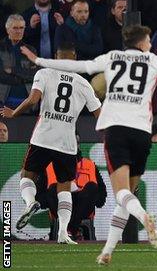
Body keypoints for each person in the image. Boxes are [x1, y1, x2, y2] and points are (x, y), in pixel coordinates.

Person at [20, 23, 157, 265]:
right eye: (148, 41)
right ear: (142, 42)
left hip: (116, 131)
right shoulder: (153, 61)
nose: (151, 45)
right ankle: (108, 251)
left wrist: (40, 61)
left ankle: (144, 216)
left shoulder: (113, 58)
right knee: (127, 194)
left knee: (122, 194)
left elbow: (79, 66)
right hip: (142, 132)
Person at [0, 42, 101, 244]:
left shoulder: (44, 74)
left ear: (56, 56)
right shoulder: (83, 83)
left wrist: (14, 113)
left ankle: (30, 202)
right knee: (64, 188)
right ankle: (63, 233)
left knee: (27, 175)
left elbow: (32, 99)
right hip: (67, 142)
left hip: (43, 137)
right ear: (74, 59)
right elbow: (99, 114)